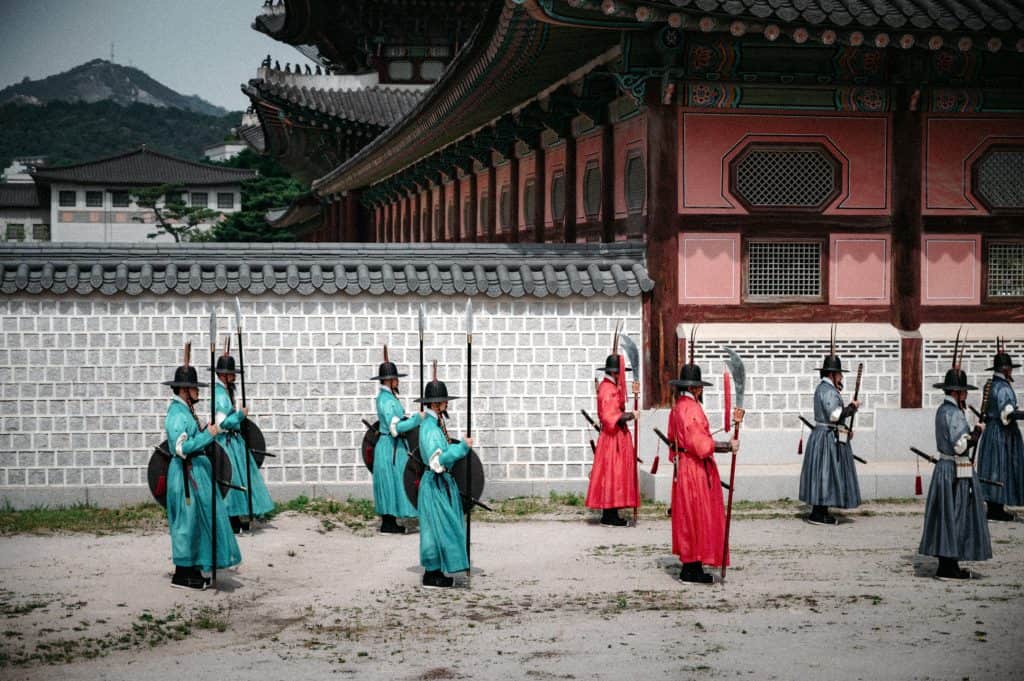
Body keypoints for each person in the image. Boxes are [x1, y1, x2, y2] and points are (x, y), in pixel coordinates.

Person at [162, 345, 241, 590]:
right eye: (194, 388)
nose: (198, 391)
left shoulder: (186, 410)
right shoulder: (177, 414)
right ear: (184, 390)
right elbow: (181, 448)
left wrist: (205, 431)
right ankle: (183, 573)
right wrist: (209, 434)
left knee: (198, 520)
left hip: (195, 473)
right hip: (184, 476)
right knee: (187, 523)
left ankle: (195, 566)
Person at [667, 357, 742, 584]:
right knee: (696, 515)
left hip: (685, 466)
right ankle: (691, 568)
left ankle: (692, 565)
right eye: (699, 387)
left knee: (690, 516)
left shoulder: (678, 406)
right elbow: (699, 444)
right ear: (694, 388)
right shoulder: (690, 408)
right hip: (694, 468)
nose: (701, 390)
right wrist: (727, 446)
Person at [919, 366, 991, 579]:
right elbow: (961, 446)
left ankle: (947, 564)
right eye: (963, 391)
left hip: (945, 468)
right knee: (955, 515)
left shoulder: (942, 410)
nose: (965, 395)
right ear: (956, 392)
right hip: (954, 471)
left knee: (946, 516)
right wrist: (977, 432)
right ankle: (948, 567)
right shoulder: (954, 414)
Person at [414, 368, 473, 588]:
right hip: (434, 483)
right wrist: (462, 448)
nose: (446, 403)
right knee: (434, 527)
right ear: (435, 403)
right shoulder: (430, 429)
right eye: (443, 400)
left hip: (439, 484)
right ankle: (432, 573)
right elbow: (436, 461)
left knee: (440, 526)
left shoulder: (435, 424)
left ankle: (436, 570)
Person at [799, 331, 862, 525]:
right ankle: (818, 513)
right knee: (824, 473)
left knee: (824, 473)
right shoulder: (827, 390)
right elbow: (834, 415)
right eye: (840, 373)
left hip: (826, 434)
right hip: (826, 437)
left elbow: (834, 418)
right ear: (832, 374)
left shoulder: (826, 389)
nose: (841, 377)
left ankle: (821, 511)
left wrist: (845, 429)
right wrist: (851, 408)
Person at [213, 344, 273, 534]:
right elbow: (221, 424)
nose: (234, 376)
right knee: (232, 480)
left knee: (241, 478)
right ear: (223, 375)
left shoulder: (226, 392)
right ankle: (232, 518)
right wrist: (240, 415)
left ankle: (240, 516)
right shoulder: (220, 395)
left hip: (234, 442)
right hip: (226, 443)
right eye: (231, 373)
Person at [585, 330, 639, 527]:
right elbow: (610, 417)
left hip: (616, 438)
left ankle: (611, 513)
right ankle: (609, 516)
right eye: (621, 373)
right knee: (612, 474)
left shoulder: (611, 387)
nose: (623, 376)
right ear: (615, 372)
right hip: (612, 438)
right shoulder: (607, 389)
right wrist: (631, 415)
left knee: (615, 475)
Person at [370, 346, 420, 534]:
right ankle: (388, 523)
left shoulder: (388, 397)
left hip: (393, 447)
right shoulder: (386, 400)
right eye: (395, 378)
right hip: (389, 446)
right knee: (390, 482)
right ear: (389, 380)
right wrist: (416, 420)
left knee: (395, 481)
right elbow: (395, 428)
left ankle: (391, 521)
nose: (398, 381)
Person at [977, 339, 1024, 521]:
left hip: (992, 431)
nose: (1011, 372)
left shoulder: (991, 385)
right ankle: (996, 509)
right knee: (1000, 467)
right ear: (1005, 370)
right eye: (1010, 369)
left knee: (992, 467)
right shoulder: (1003, 388)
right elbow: (1007, 414)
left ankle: (994, 507)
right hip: (1002, 434)